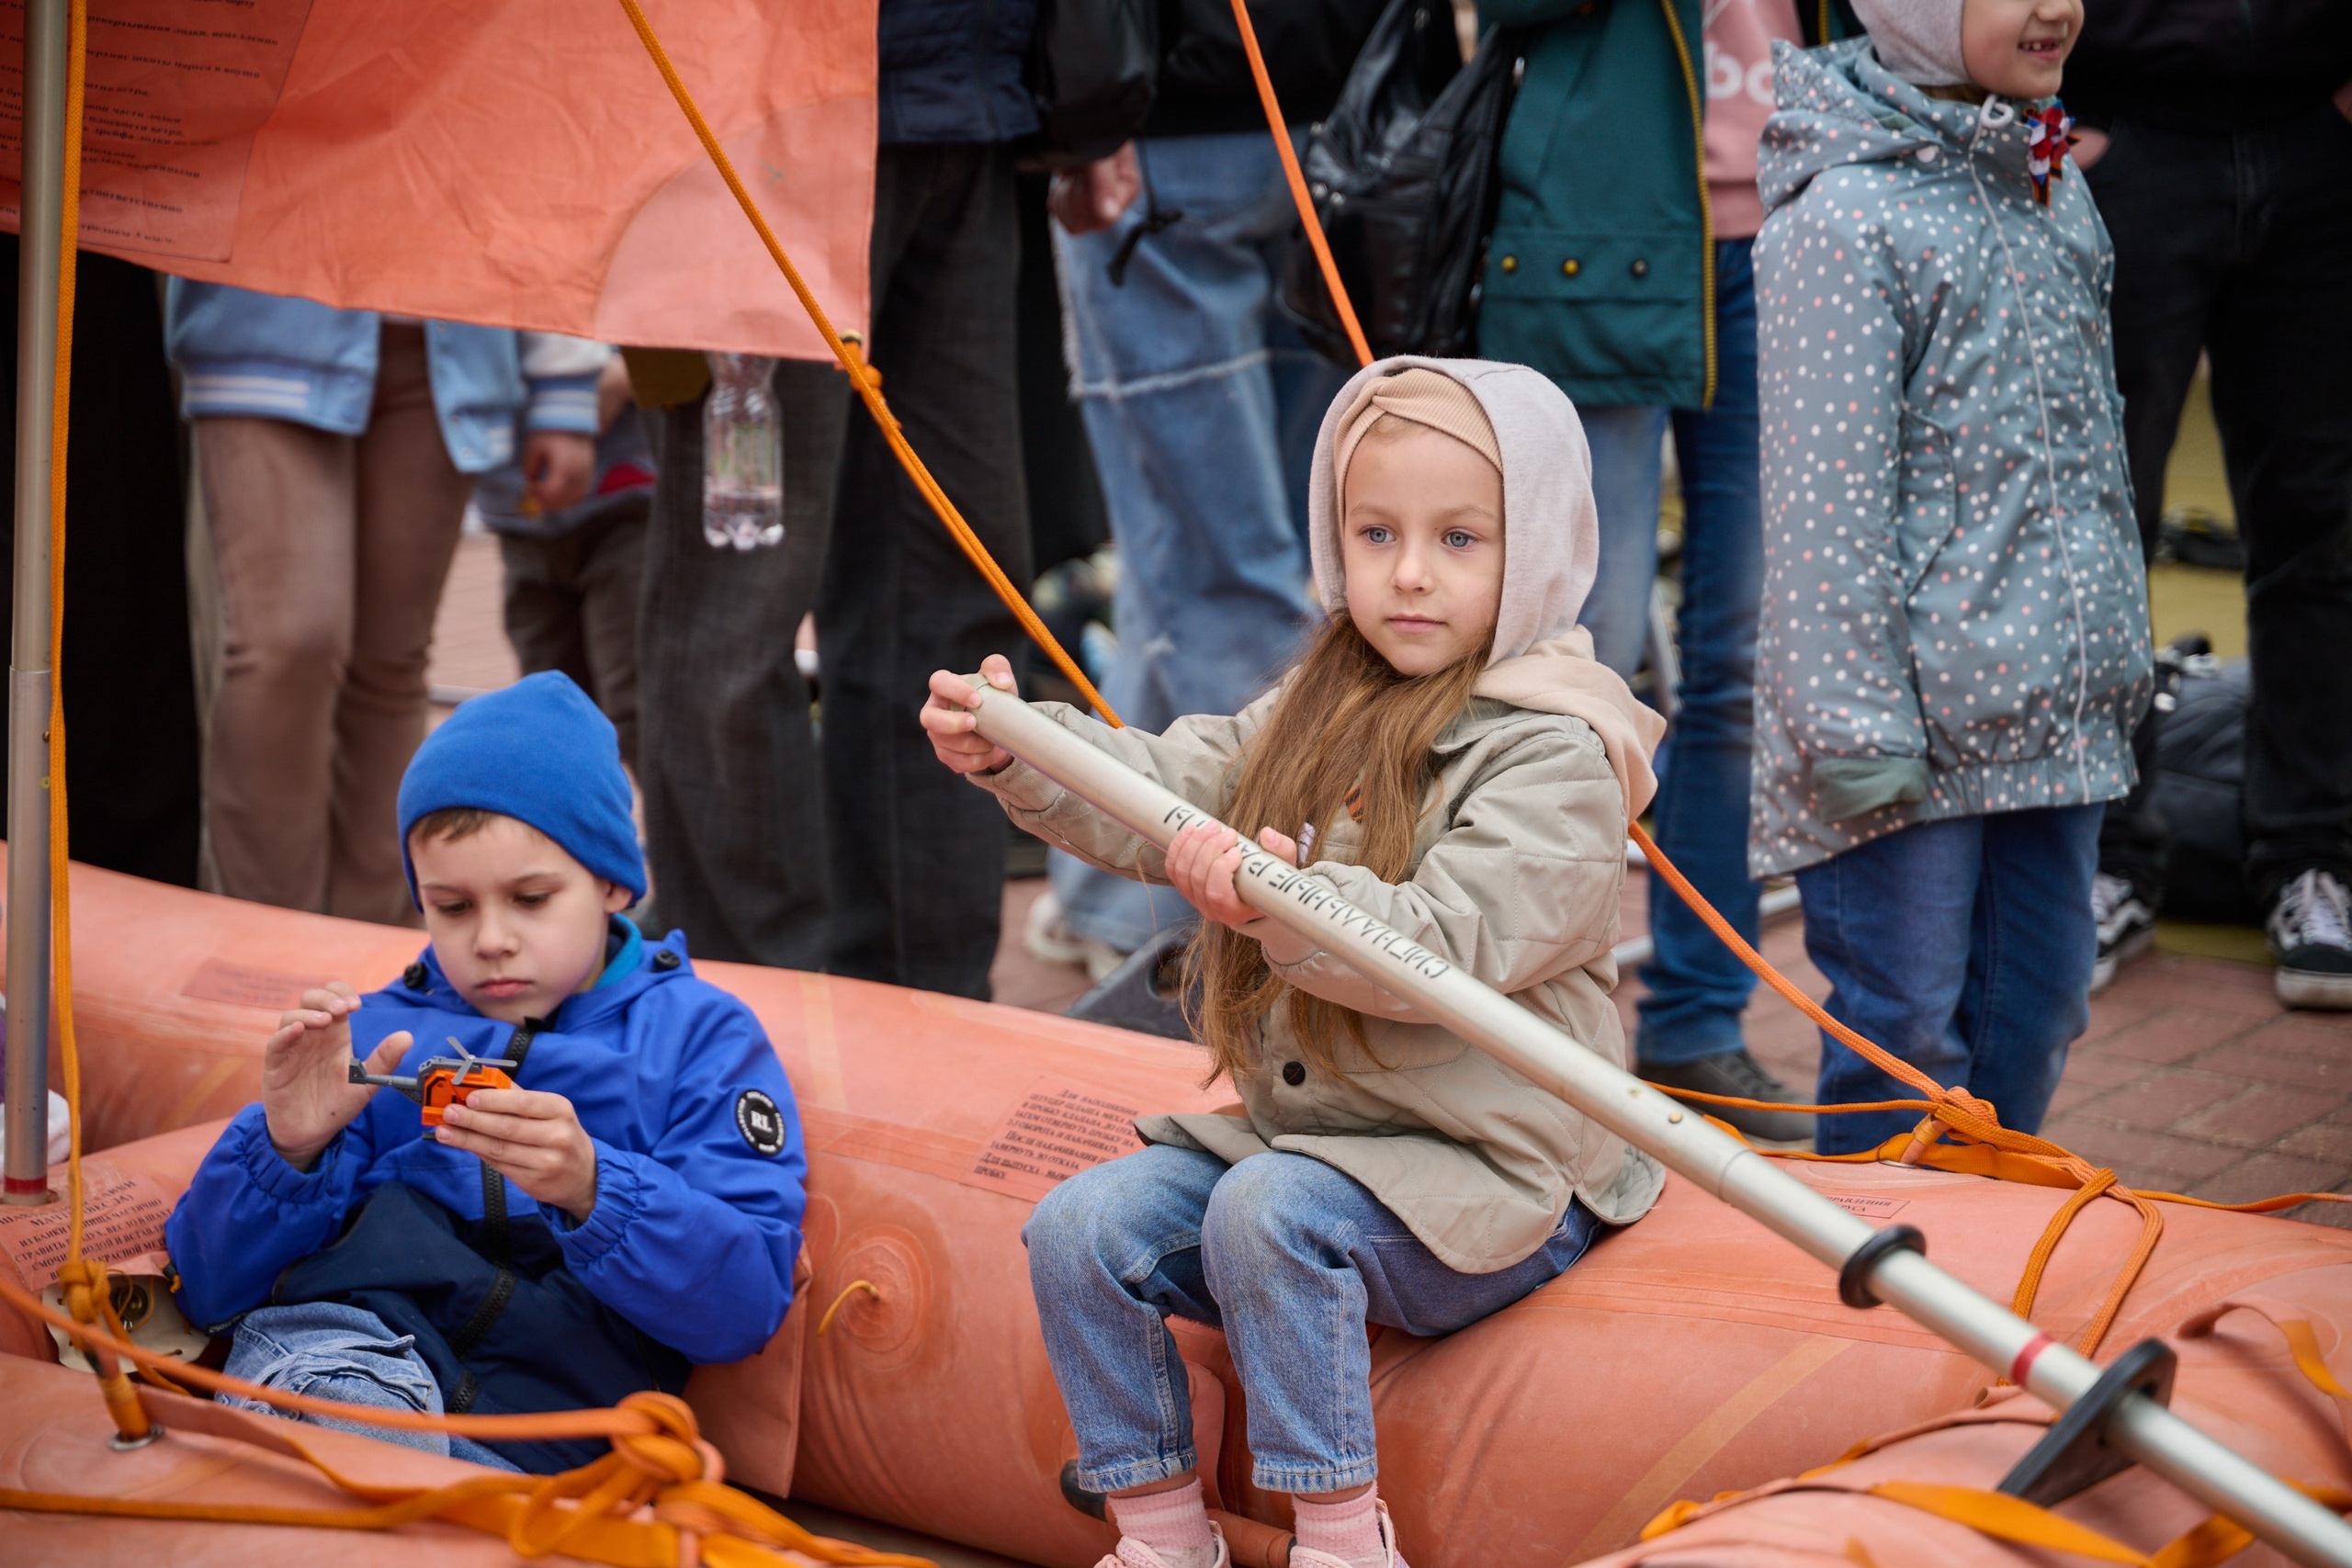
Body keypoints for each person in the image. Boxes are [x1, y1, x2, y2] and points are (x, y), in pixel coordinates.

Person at [922, 361, 1666, 1568]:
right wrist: (1022, 747)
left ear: (1532, 549)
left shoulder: (1557, 748)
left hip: (1499, 1161)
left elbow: (1456, 941)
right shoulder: (1321, 693)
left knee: (1266, 1211)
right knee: (1078, 1226)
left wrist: (1283, 906)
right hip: (1328, 1141)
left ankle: (1338, 1535)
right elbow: (1176, 780)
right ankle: (1161, 1531)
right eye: (1377, 532)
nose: (1410, 571)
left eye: (1459, 537)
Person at [164, 673, 807, 1474]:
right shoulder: (372, 1037)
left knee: (407, 1486)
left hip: (549, 1427)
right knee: (346, 1414)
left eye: (531, 898)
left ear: (612, 883)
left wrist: (594, 1186)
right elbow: (205, 1289)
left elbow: (743, 1308)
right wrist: (285, 1148)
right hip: (343, 1354)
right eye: (453, 907)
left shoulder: (702, 1040)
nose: (492, 939)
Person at [1751, 0, 2150, 1155]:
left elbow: (2088, 456)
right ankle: (1890, 1282)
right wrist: (1853, 729)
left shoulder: (2049, 182)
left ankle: (1981, 1266)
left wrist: (2106, 660)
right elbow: (1824, 504)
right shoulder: (1847, 219)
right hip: (1901, 736)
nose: (2055, 6)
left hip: (2049, 711)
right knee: (1905, 1035)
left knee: (2037, 1007)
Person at [1471, 0, 1855, 1142]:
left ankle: (1694, 1026)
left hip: (1798, 216)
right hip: (1593, 233)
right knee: (1569, 667)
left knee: (1743, 657)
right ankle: (1533, 1037)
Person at [634, 0, 1039, 992]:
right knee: (737, 614)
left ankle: (935, 1007)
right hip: (755, 113)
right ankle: (738, 1017)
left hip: (968, 99)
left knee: (958, 618)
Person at [1025, 0, 1382, 978]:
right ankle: (1108, 903)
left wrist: (1083, 112)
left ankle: (1288, 922)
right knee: (1227, 559)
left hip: (1169, 117)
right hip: (1336, 103)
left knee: (1221, 573)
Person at [2064, 0, 2352, 1008]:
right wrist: (2036, 95)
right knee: (2101, 525)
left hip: (2314, 132)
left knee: (2318, 527)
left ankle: (2312, 863)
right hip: (2123, 133)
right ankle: (2106, 857)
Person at [167, 283, 601, 923]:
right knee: (288, 645)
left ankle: (375, 945)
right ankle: (259, 936)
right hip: (266, 318)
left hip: (450, 332)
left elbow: (537, 189)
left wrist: (564, 384)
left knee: (391, 663)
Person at [474, 344, 652, 770]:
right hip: (518, 517)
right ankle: (568, 833)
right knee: (551, 712)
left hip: (622, 505)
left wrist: (628, 371)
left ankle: (672, 835)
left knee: (635, 705)